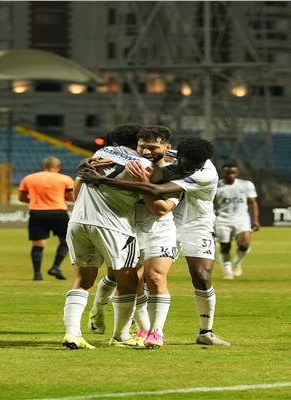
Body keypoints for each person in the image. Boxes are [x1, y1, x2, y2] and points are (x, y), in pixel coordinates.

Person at [80, 137, 231, 346]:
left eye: (194, 166)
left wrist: (102, 180)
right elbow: (128, 157)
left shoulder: (205, 173)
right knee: (130, 277)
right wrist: (88, 161)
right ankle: (118, 315)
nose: (189, 169)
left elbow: (156, 191)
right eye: (186, 164)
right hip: (160, 224)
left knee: (201, 276)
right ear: (179, 155)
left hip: (197, 225)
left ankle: (206, 332)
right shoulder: (170, 155)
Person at [88, 126, 180, 349]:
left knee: (156, 278)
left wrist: (144, 184)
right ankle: (128, 322)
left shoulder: (174, 173)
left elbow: (160, 210)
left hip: (160, 231)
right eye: (142, 147)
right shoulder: (127, 165)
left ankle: (155, 333)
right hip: (127, 229)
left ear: (167, 148)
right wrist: (87, 167)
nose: (146, 151)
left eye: (152, 147)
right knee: (127, 282)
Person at [62, 123, 152, 350]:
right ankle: (121, 335)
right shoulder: (143, 164)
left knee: (82, 281)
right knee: (129, 281)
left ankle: (72, 334)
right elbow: (149, 193)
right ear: (138, 142)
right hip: (114, 226)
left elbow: (77, 189)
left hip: (78, 221)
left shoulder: (99, 154)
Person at [18, 156, 75, 281]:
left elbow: (21, 198)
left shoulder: (29, 178)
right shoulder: (65, 179)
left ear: (42, 166)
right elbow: (71, 197)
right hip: (58, 212)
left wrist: (35, 200)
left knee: (38, 244)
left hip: (37, 212)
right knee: (66, 241)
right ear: (58, 166)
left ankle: (37, 274)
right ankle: (55, 267)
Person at [214, 162, 260, 279]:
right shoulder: (215, 186)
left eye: (233, 173)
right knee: (225, 246)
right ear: (223, 173)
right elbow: (210, 202)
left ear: (237, 173)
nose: (230, 175)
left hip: (241, 219)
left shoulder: (246, 185)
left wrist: (255, 220)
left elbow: (253, 203)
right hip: (222, 219)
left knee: (244, 245)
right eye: (228, 173)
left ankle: (236, 263)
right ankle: (227, 271)